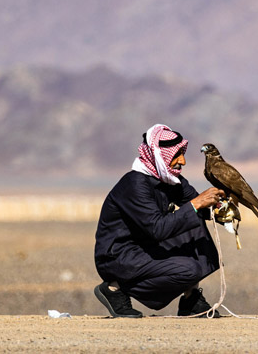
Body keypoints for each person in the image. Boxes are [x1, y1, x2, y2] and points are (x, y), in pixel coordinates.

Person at [93, 124, 225, 318]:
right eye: (177, 154)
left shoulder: (170, 180)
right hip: (119, 255)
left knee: (195, 222)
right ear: (158, 156)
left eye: (183, 153)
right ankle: (114, 289)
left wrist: (223, 209)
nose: (183, 161)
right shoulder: (135, 184)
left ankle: (191, 299)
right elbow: (158, 229)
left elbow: (200, 207)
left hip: (146, 245)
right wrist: (197, 203)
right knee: (188, 270)